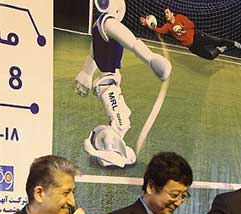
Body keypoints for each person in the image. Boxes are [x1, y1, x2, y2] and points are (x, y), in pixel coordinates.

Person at [73, 0, 171, 168]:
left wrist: (86, 74)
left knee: (124, 115)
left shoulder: (98, 25)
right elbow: (132, 42)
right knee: (121, 122)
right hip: (107, 83)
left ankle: (103, 141)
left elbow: (93, 55)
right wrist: (150, 58)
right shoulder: (109, 23)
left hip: (109, 82)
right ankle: (107, 152)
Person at [142, 8, 241, 61]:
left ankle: (233, 43)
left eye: (167, 12)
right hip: (192, 46)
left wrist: (182, 27)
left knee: (217, 40)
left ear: (172, 13)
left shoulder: (179, 17)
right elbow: (159, 30)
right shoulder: (167, 26)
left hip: (197, 36)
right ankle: (219, 50)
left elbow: (191, 25)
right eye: (165, 14)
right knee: (210, 57)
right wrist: (148, 24)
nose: (166, 14)